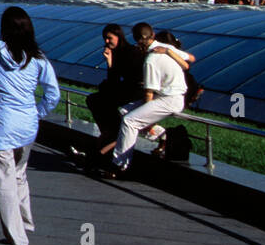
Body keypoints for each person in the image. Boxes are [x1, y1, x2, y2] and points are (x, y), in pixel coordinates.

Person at [0, 7, 61, 245]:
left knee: (4, 182)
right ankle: (25, 223)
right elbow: (53, 94)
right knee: (19, 174)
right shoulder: (38, 57)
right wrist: (38, 112)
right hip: (28, 125)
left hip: (1, 125)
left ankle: (18, 239)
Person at [104, 24, 195, 176]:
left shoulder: (151, 61)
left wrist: (146, 118)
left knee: (130, 121)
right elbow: (190, 59)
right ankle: (160, 134)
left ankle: (120, 165)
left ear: (136, 40)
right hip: (173, 96)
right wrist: (169, 52)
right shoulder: (164, 47)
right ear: (152, 34)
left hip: (168, 99)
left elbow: (148, 93)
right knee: (124, 111)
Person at [83, 24, 143, 167]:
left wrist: (111, 64)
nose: (107, 42)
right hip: (124, 91)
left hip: (134, 92)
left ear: (118, 37)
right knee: (94, 100)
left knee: (100, 101)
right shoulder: (116, 53)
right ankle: (109, 132)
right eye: (105, 38)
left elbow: (124, 78)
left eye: (110, 38)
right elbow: (113, 80)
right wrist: (110, 62)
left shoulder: (131, 52)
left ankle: (110, 134)